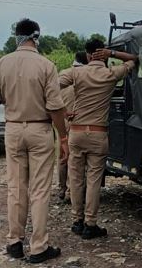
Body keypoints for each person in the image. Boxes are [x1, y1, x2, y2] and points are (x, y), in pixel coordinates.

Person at [0, 18, 68, 264]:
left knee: (16, 188)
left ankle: (14, 242)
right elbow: (55, 106)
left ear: (17, 37)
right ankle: (39, 247)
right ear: (36, 36)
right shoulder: (46, 65)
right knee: (40, 190)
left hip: (12, 129)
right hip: (39, 129)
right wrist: (63, 136)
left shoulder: (2, 63)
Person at [59, 39, 138, 239]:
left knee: (75, 178)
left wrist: (63, 112)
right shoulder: (110, 74)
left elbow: (51, 86)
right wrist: (111, 54)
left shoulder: (76, 73)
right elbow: (135, 60)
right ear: (101, 53)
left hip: (75, 133)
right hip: (98, 133)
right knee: (93, 180)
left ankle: (76, 221)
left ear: (87, 55)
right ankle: (90, 223)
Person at [58, 51, 89, 201]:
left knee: (62, 156)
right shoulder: (84, 76)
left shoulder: (62, 74)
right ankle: (72, 192)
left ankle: (62, 188)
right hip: (77, 121)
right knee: (73, 159)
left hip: (60, 120)